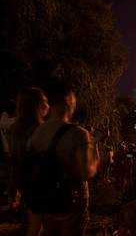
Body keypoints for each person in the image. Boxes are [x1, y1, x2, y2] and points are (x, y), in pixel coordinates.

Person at [26, 83, 98, 236]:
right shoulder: (78, 134)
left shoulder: (37, 133)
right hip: (71, 202)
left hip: (46, 201)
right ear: (68, 101)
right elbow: (85, 172)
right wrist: (96, 161)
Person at [8, 87, 49, 236]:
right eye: (45, 101)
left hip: (26, 184)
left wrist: (13, 187)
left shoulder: (16, 129)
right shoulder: (42, 130)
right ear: (38, 105)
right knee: (38, 226)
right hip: (42, 185)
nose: (48, 105)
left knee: (34, 223)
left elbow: (14, 160)